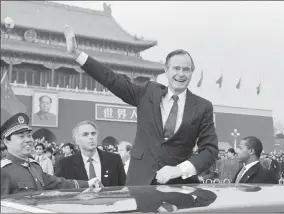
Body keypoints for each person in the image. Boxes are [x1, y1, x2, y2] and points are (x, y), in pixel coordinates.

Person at [63, 25, 219, 186]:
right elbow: (112, 79)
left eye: (186, 70)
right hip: (140, 184)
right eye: (176, 68)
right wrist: (77, 55)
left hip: (178, 185)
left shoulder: (202, 107)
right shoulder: (148, 92)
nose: (181, 74)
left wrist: (179, 169)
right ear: (166, 71)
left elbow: (210, 150)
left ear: (192, 73)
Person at [0, 113, 101, 196]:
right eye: (21, 136)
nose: (28, 140)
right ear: (7, 141)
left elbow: (59, 183)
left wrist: (88, 183)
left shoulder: (34, 167)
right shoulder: (3, 171)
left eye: (29, 136)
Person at [55, 121, 126, 187]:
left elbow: (124, 187)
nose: (91, 137)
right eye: (85, 134)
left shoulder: (114, 159)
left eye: (93, 133)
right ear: (77, 140)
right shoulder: (65, 164)